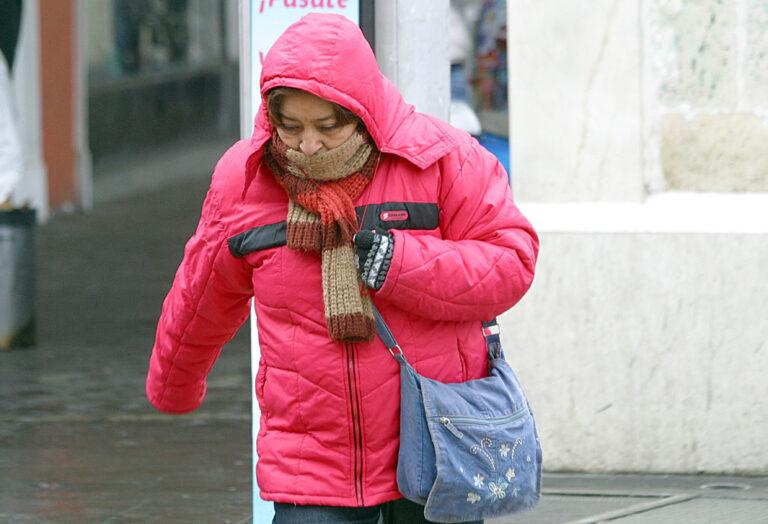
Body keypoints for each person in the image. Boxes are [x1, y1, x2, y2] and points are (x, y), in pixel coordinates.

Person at [146, 13, 538, 524]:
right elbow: (202, 294)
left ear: (364, 112)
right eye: (291, 127)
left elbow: (512, 261)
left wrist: (400, 264)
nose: (308, 145)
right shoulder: (244, 180)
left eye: (327, 127)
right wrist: (173, 385)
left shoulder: (443, 160)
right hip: (309, 458)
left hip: (438, 440)